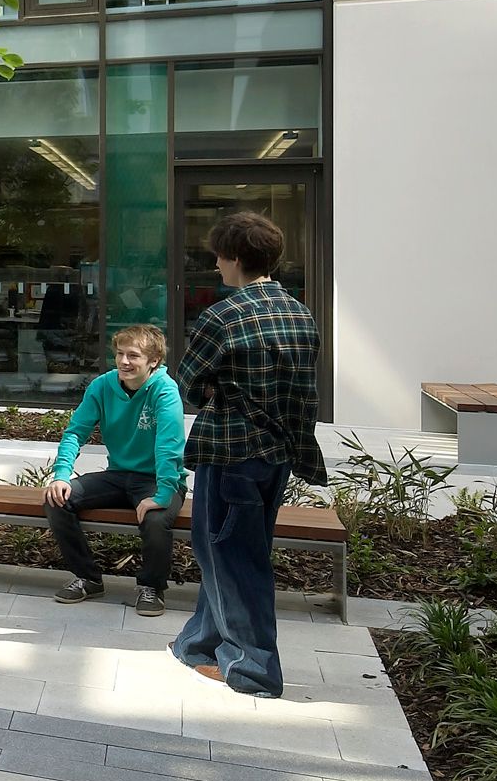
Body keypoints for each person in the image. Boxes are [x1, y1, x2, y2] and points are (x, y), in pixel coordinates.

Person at [171, 211, 325, 697]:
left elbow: (190, 385)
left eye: (218, 256)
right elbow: (303, 392)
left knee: (233, 558)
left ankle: (252, 668)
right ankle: (200, 643)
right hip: (277, 455)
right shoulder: (301, 313)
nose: (215, 265)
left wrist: (220, 386)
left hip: (232, 451)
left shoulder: (223, 315)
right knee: (236, 551)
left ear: (235, 259)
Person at [44, 324, 186, 616]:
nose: (124, 361)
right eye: (120, 354)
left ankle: (151, 587)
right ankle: (88, 578)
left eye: (133, 355)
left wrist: (162, 493)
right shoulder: (103, 385)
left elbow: (169, 444)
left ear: (153, 361)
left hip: (158, 479)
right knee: (57, 499)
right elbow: (75, 432)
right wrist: (61, 475)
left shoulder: (165, 389)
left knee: (157, 519)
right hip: (119, 475)